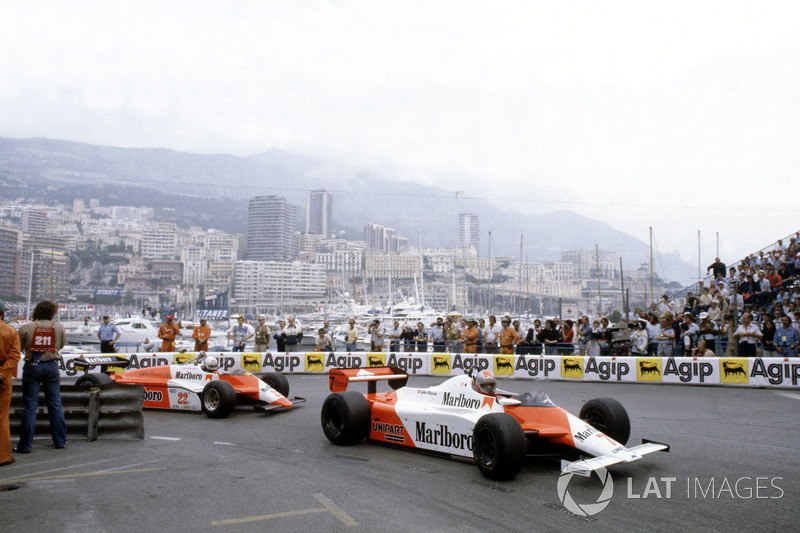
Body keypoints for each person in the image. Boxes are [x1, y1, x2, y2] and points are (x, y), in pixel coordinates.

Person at [15, 301, 67, 453]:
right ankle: (60, 441)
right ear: (52, 312)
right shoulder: (58, 327)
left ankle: (25, 445)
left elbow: (19, 347)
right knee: (55, 404)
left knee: (30, 406)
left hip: (32, 365)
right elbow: (62, 345)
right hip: (51, 365)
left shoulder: (26, 327)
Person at [0, 299, 22, 467]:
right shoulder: (10, 331)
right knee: (2, 417)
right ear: (3, 313)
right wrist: (3, 372)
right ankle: (3, 456)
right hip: (2, 377)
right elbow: (14, 356)